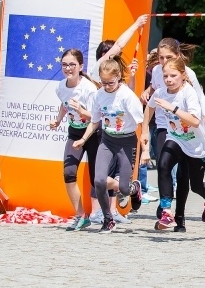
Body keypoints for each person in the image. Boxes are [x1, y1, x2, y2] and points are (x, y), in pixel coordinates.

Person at [142, 57, 205, 232]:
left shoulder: (188, 93)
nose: (169, 80)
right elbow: (149, 108)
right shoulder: (161, 92)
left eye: (173, 76)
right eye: (165, 76)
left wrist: (173, 108)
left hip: (195, 145)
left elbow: (194, 121)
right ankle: (166, 211)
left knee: (195, 186)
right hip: (176, 138)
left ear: (183, 76)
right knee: (163, 164)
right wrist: (145, 131)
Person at [73, 60, 143, 233]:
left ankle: (134, 188)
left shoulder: (127, 96)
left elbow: (141, 123)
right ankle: (108, 219)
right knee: (98, 181)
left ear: (118, 77)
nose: (107, 86)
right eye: (104, 83)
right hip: (107, 140)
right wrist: (83, 139)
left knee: (124, 189)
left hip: (126, 142)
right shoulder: (99, 95)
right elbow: (95, 121)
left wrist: (145, 149)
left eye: (111, 83)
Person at [49, 49, 99, 231]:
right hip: (74, 132)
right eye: (64, 65)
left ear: (80, 66)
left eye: (72, 64)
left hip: (93, 134)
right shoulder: (61, 86)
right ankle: (80, 215)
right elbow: (64, 104)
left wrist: (81, 111)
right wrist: (58, 119)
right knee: (69, 173)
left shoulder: (89, 88)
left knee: (97, 179)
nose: (68, 68)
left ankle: (126, 189)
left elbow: (96, 117)